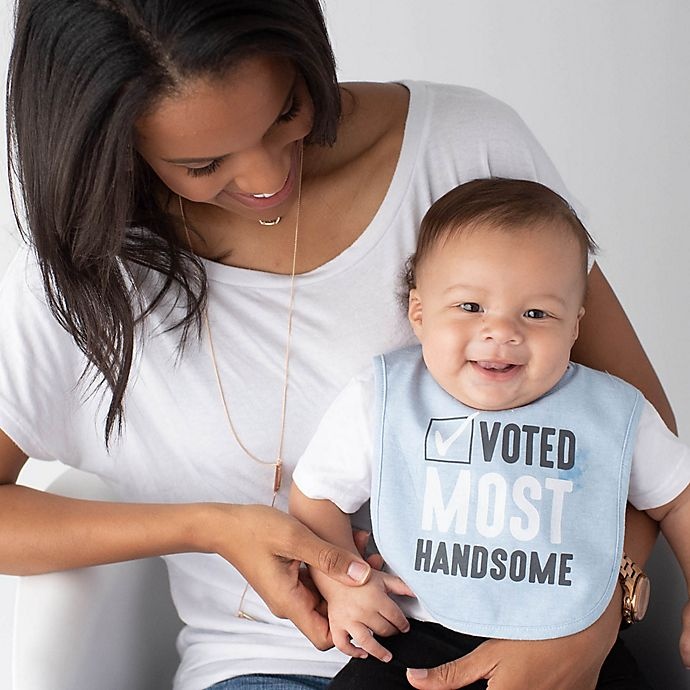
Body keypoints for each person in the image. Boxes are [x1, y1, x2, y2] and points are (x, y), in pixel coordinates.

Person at [0, 1, 676, 689]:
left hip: (542, 643)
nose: (267, 179)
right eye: (203, 164)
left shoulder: (463, 151)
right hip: (270, 666)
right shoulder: (77, 276)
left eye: (285, 112)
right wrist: (208, 527)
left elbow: (629, 427)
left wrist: (590, 613)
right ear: (113, 143)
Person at [289, 178, 690, 689]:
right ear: (419, 312)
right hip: (416, 635)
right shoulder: (384, 397)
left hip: (571, 641)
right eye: (471, 307)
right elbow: (316, 497)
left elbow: (679, 500)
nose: (501, 332)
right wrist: (340, 585)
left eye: (536, 313)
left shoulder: (613, 410)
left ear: (575, 326)